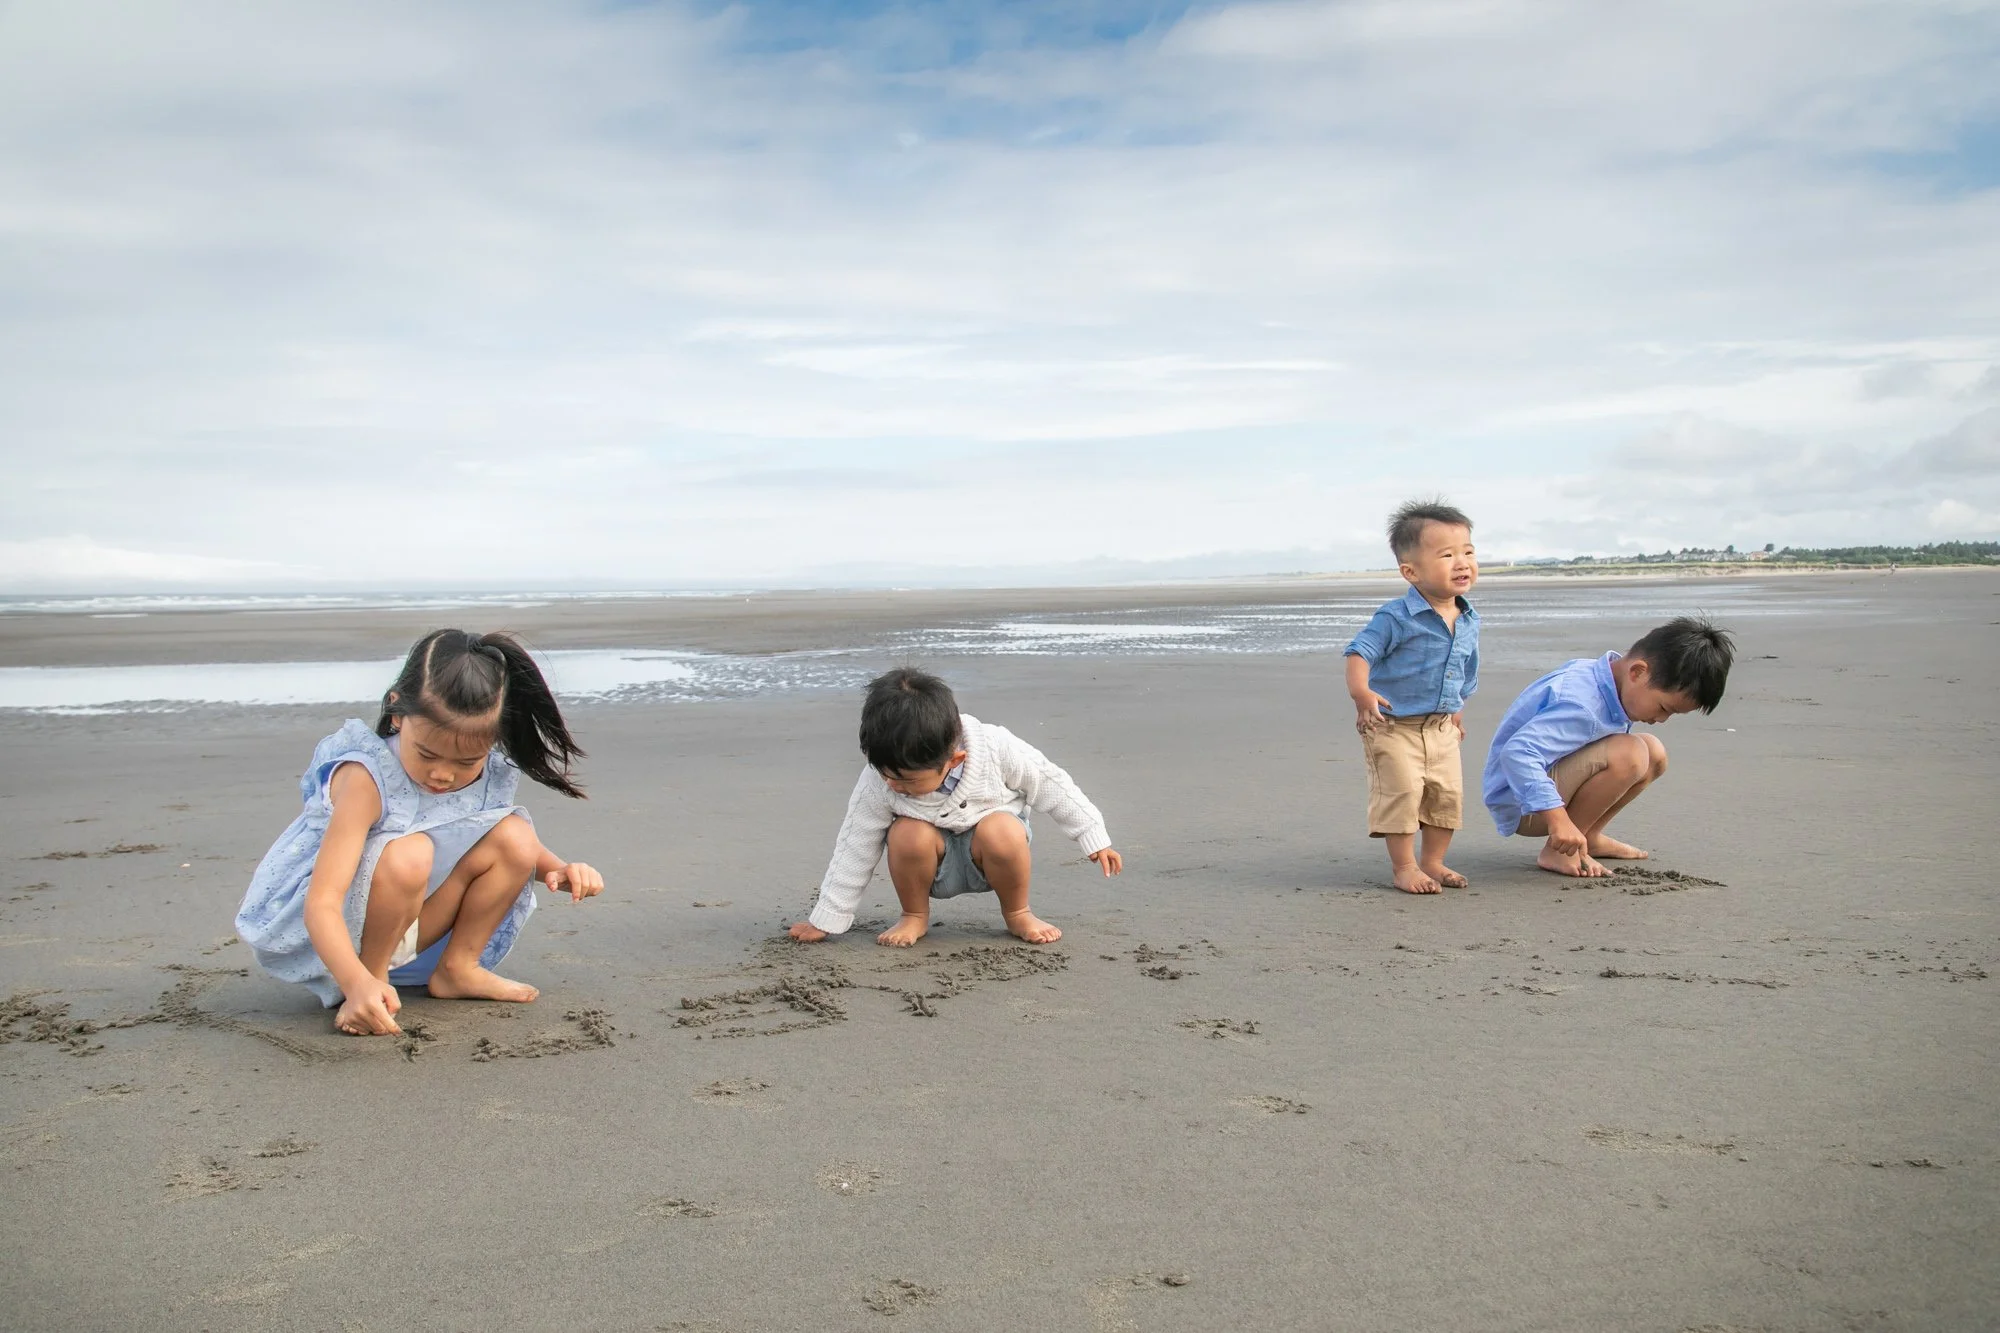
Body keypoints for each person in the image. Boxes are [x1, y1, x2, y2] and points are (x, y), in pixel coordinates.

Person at [235, 630, 605, 1036]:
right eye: (427, 754)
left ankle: (458, 968)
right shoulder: (365, 778)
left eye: (466, 762)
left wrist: (560, 869)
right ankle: (371, 985)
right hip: (333, 940)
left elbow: (494, 837)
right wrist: (356, 981)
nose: (443, 774)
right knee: (410, 852)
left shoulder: (488, 769)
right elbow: (322, 902)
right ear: (397, 712)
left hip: (405, 922)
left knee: (515, 834)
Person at [788, 667, 1121, 948]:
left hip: (993, 859)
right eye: (884, 773)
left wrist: (1092, 834)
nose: (891, 785)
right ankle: (914, 915)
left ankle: (1018, 913)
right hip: (929, 866)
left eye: (905, 780)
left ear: (954, 760)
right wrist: (827, 917)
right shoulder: (880, 779)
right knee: (907, 833)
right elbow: (855, 845)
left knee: (1002, 829)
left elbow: (1052, 784)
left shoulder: (995, 747)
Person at [1482, 617, 1734, 878]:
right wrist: (1559, 820)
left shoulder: (1606, 677)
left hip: (1543, 787)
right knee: (1630, 753)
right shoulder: (1583, 705)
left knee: (1654, 752)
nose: (1661, 719)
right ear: (1638, 672)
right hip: (1522, 803)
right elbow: (1518, 753)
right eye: (1663, 708)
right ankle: (1561, 850)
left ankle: (1587, 836)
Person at [1344, 500, 1480, 894]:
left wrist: (1457, 709)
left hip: (1441, 728)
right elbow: (1359, 653)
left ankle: (1433, 861)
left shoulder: (1469, 618)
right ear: (1411, 571)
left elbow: (1466, 668)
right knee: (1402, 794)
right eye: (1447, 555)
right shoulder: (1395, 617)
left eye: (1468, 552)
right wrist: (1362, 694)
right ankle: (1404, 867)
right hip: (1392, 727)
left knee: (1445, 796)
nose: (1462, 563)